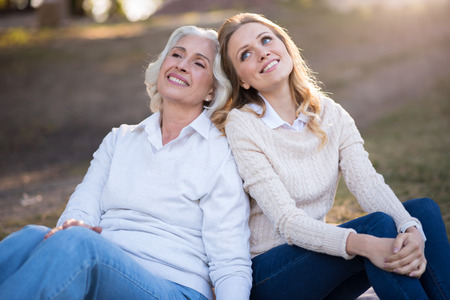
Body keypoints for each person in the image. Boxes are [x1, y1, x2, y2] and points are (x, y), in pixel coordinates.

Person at [0, 25, 252, 300]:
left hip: (171, 287)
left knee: (78, 242)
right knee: (30, 237)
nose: (182, 65)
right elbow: (83, 208)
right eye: (177, 55)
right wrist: (72, 228)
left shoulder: (219, 153)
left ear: (211, 90)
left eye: (198, 63)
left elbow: (230, 260)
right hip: (103, 266)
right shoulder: (120, 139)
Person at [212, 12, 450, 300]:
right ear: (242, 81)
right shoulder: (243, 124)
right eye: (246, 54)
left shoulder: (330, 113)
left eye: (266, 40)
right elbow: (287, 221)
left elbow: (368, 183)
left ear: (285, 47)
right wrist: (364, 244)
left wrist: (409, 229)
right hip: (273, 276)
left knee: (421, 213)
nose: (262, 53)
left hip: (321, 261)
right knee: (378, 228)